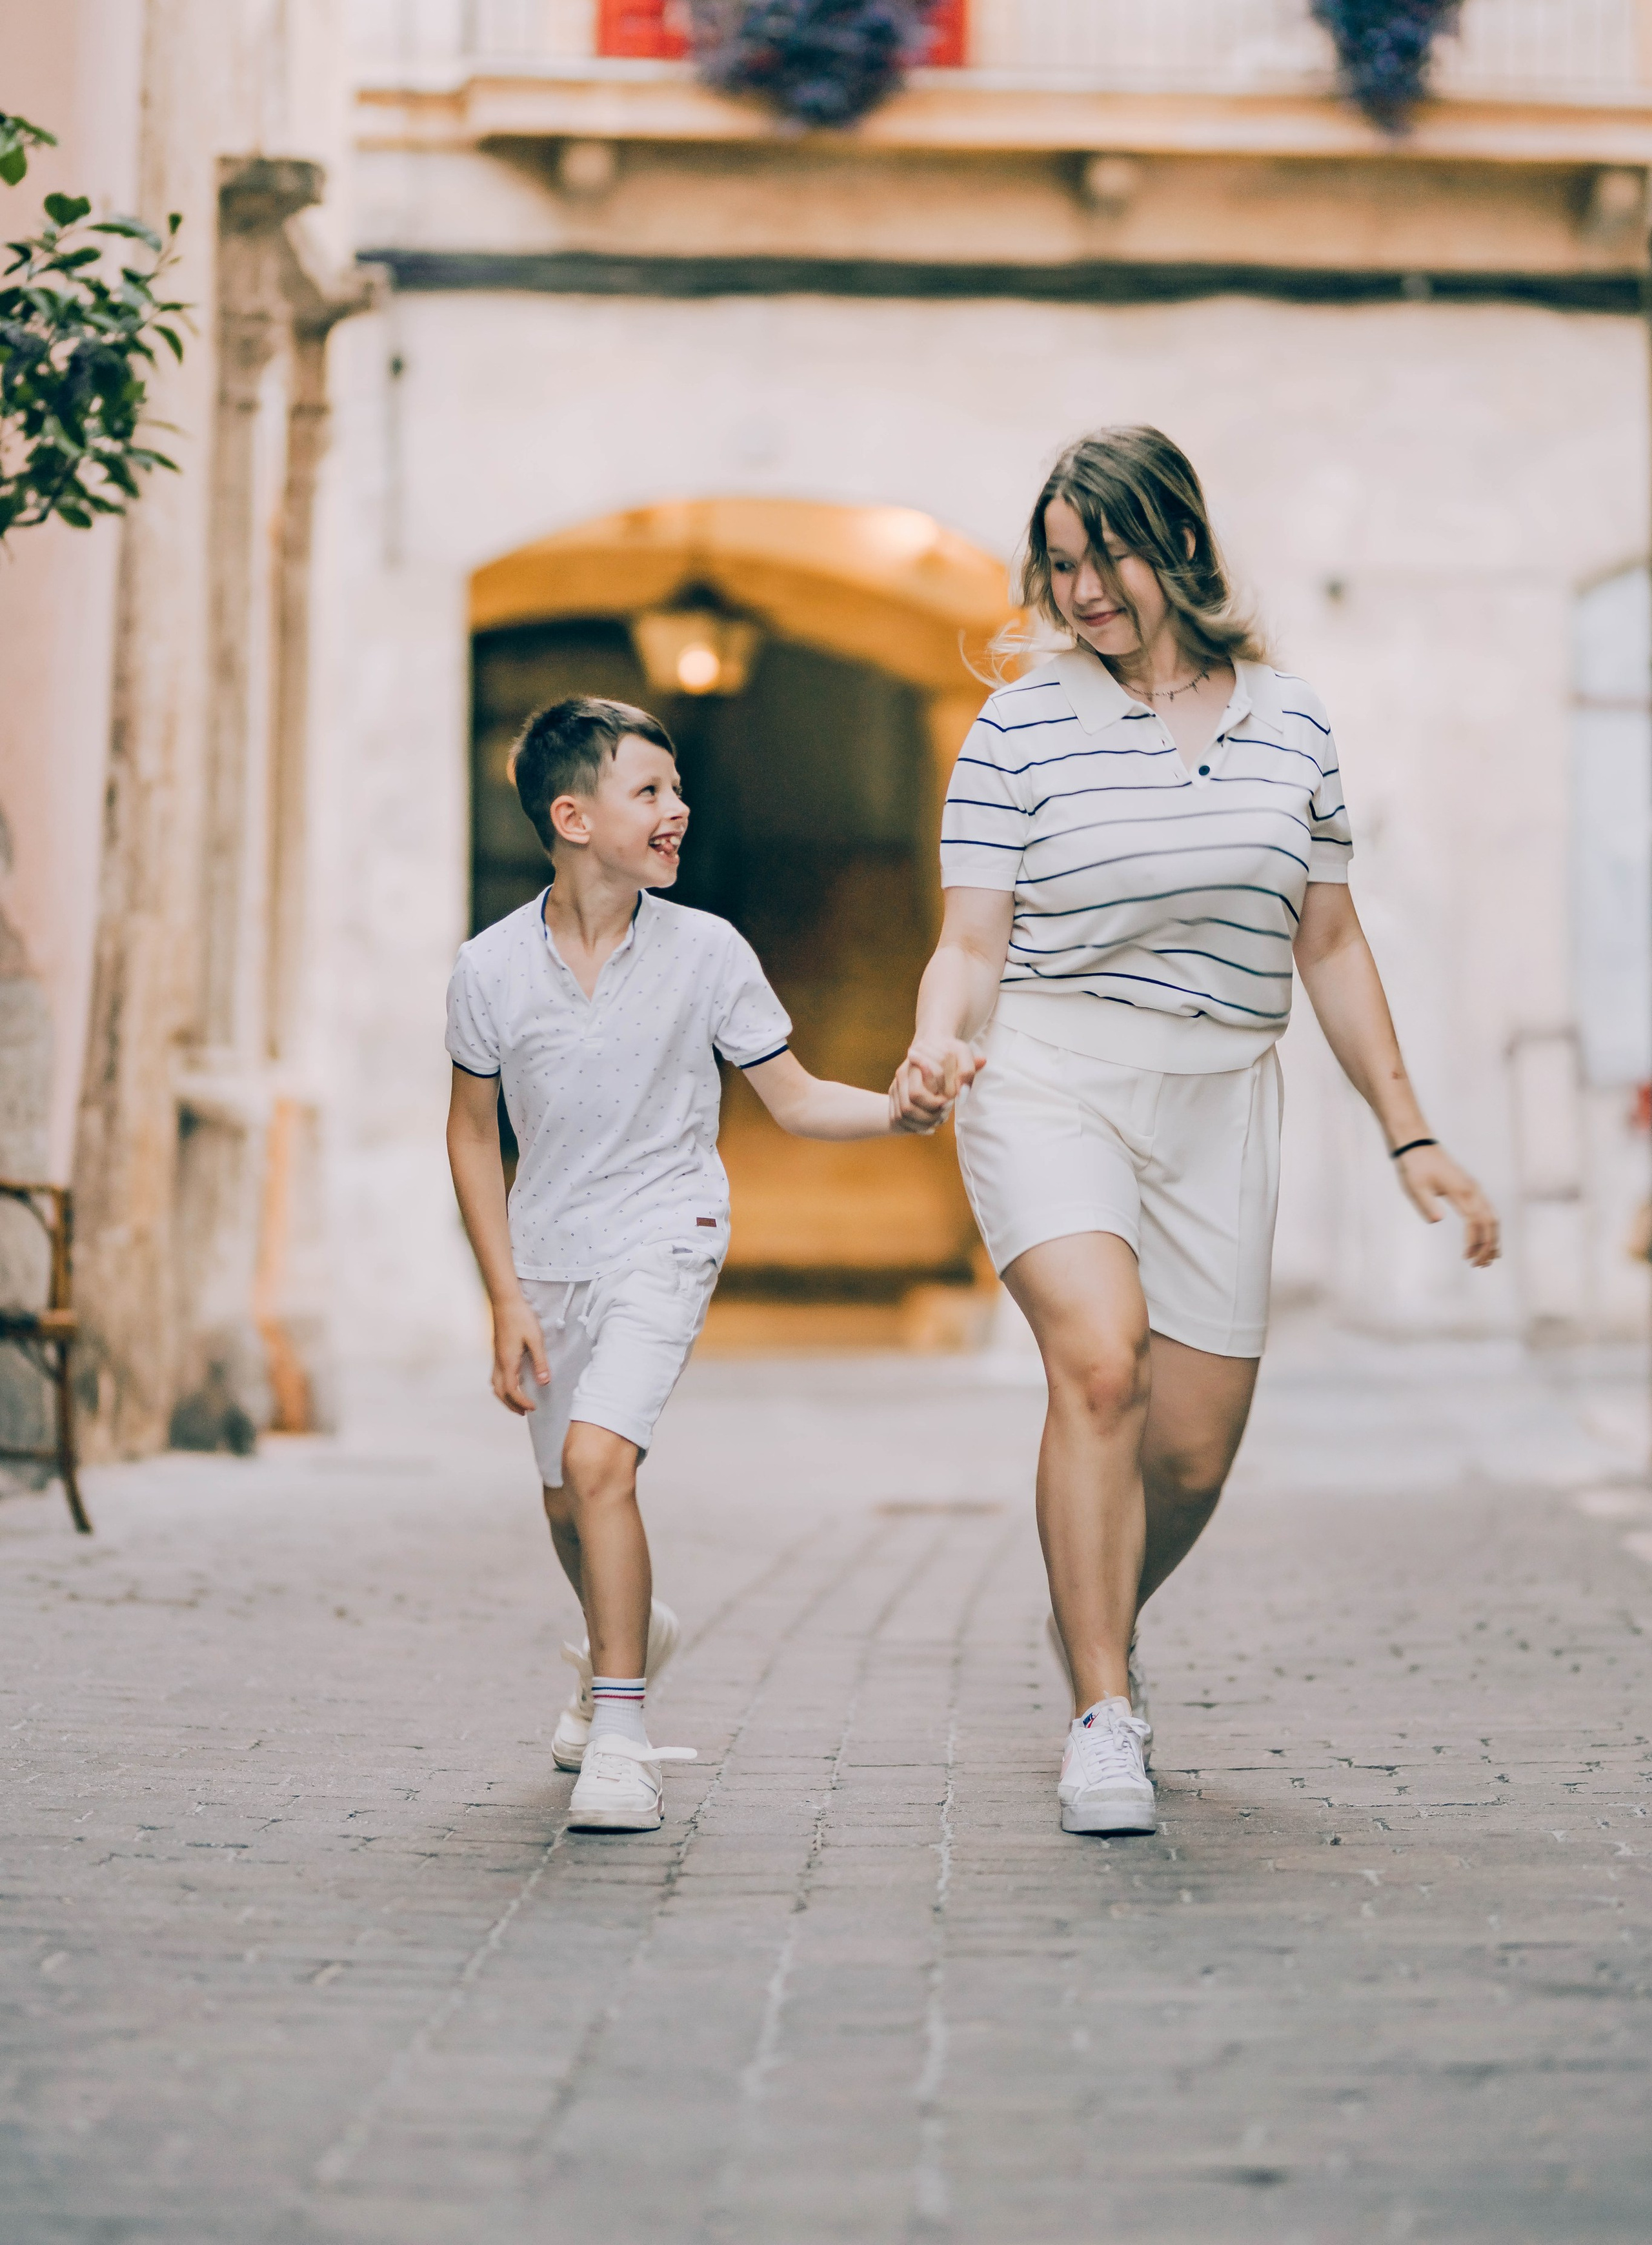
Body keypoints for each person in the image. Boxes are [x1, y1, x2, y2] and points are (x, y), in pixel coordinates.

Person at [891, 426, 1499, 1840]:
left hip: (1223, 1089)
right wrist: (940, 1035)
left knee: (1189, 1457)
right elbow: (969, 942)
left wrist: (1410, 1136)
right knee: (1100, 1367)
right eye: (1059, 565)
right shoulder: (1019, 726)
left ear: (1172, 543)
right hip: (1051, 1070)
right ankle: (1102, 1709)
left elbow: (1330, 945)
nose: (1083, 589)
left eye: (1103, 555)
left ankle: (1089, 1612)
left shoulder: (1289, 720)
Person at [446, 695, 942, 1834]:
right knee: (570, 1501)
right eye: (650, 792)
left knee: (598, 1462)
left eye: (676, 790)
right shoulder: (487, 971)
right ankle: (626, 1635)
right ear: (573, 817)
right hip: (549, 1257)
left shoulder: (708, 951)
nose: (680, 810)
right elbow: (474, 1134)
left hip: (669, 1235)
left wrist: (901, 1116)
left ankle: (620, 1729)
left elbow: (799, 1097)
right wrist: (504, 1298)